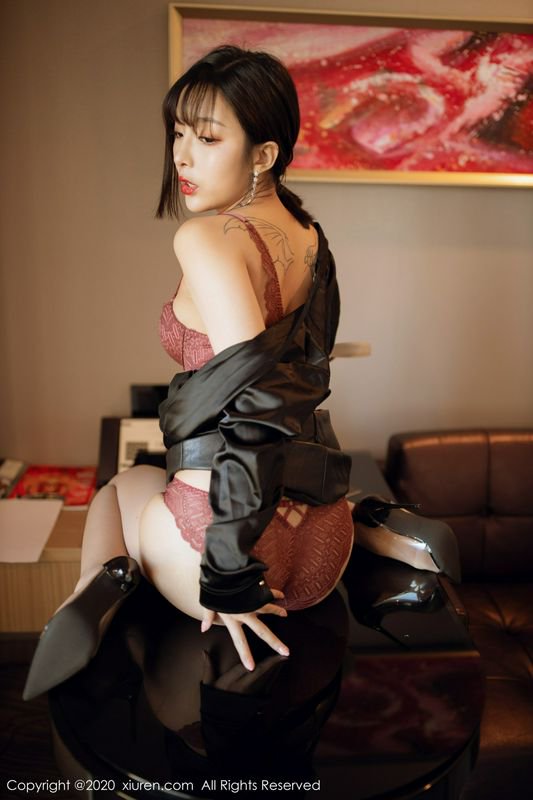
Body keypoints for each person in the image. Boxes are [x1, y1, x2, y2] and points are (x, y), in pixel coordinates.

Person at [24, 46, 457, 701]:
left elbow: (256, 402)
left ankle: (98, 584)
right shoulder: (309, 237)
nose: (182, 156)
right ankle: (370, 519)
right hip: (323, 548)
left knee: (123, 483)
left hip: (220, 550)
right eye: (177, 133)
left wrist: (227, 572)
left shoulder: (207, 238)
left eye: (207, 138)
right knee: (163, 474)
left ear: (263, 154)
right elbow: (292, 379)